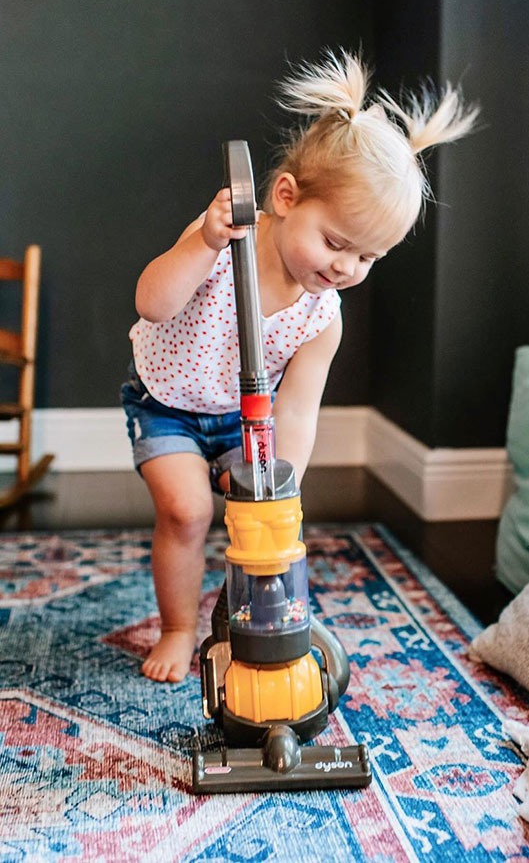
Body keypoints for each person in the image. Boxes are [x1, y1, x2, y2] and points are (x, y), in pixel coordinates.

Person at [122, 50, 478, 682]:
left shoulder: (323, 316)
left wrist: (278, 487)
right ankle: (177, 628)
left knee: (251, 524)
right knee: (186, 512)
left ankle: (242, 624)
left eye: (368, 258)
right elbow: (152, 303)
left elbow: (298, 410)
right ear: (285, 197)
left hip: (243, 418)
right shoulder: (225, 239)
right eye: (336, 243)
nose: (345, 268)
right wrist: (202, 242)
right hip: (169, 402)